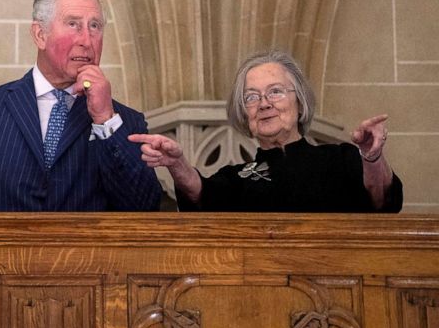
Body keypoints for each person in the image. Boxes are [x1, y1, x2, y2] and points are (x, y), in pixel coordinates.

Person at [0, 0, 162, 211]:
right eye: (73, 24)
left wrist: (105, 119)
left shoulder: (126, 122)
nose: (86, 40)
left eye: (94, 26)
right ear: (40, 35)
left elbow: (146, 211)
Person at [129, 50, 402, 212]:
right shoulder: (236, 179)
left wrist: (372, 156)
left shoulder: (341, 159)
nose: (264, 104)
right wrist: (177, 163)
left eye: (275, 92)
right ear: (244, 114)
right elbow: (201, 195)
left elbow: (381, 201)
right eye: (251, 97)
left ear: (300, 102)